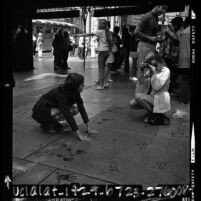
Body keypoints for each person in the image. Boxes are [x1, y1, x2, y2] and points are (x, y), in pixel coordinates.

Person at [32, 73, 98, 142]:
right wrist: (79, 134)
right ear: (75, 86)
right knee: (69, 111)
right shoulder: (60, 94)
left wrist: (88, 127)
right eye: (81, 84)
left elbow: (81, 107)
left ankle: (54, 123)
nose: (83, 86)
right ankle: (46, 125)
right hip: (41, 111)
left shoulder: (75, 92)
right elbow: (67, 114)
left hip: (51, 108)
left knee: (75, 109)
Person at [130, 50, 171, 125]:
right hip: (153, 97)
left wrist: (155, 74)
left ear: (157, 59)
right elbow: (142, 82)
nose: (149, 64)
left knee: (138, 96)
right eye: (147, 62)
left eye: (150, 61)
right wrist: (141, 70)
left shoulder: (165, 71)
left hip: (161, 100)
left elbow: (156, 87)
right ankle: (155, 114)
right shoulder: (151, 69)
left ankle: (156, 115)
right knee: (132, 104)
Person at [134, 5, 167, 94]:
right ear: (157, 6)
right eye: (163, 8)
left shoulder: (155, 18)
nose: (163, 11)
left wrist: (157, 38)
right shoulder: (147, 16)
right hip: (145, 46)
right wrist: (150, 38)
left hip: (151, 46)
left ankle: (144, 95)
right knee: (143, 69)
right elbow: (136, 32)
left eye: (165, 9)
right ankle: (140, 95)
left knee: (149, 71)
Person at [75, 19, 112, 90]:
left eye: (99, 23)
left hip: (102, 51)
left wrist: (78, 35)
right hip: (107, 51)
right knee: (103, 68)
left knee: (101, 69)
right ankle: (105, 83)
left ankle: (101, 85)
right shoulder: (108, 32)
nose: (98, 25)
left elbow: (88, 34)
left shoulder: (100, 31)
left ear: (101, 25)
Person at [160, 16, 183, 93]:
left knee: (170, 72)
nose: (180, 27)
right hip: (166, 54)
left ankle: (168, 88)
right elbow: (176, 39)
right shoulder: (168, 27)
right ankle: (167, 89)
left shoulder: (176, 30)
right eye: (179, 25)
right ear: (175, 24)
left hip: (171, 55)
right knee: (166, 72)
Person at [177, 16, 190, 104]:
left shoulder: (184, 32)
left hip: (182, 59)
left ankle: (182, 98)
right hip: (189, 59)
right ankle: (184, 99)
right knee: (187, 80)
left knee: (184, 79)